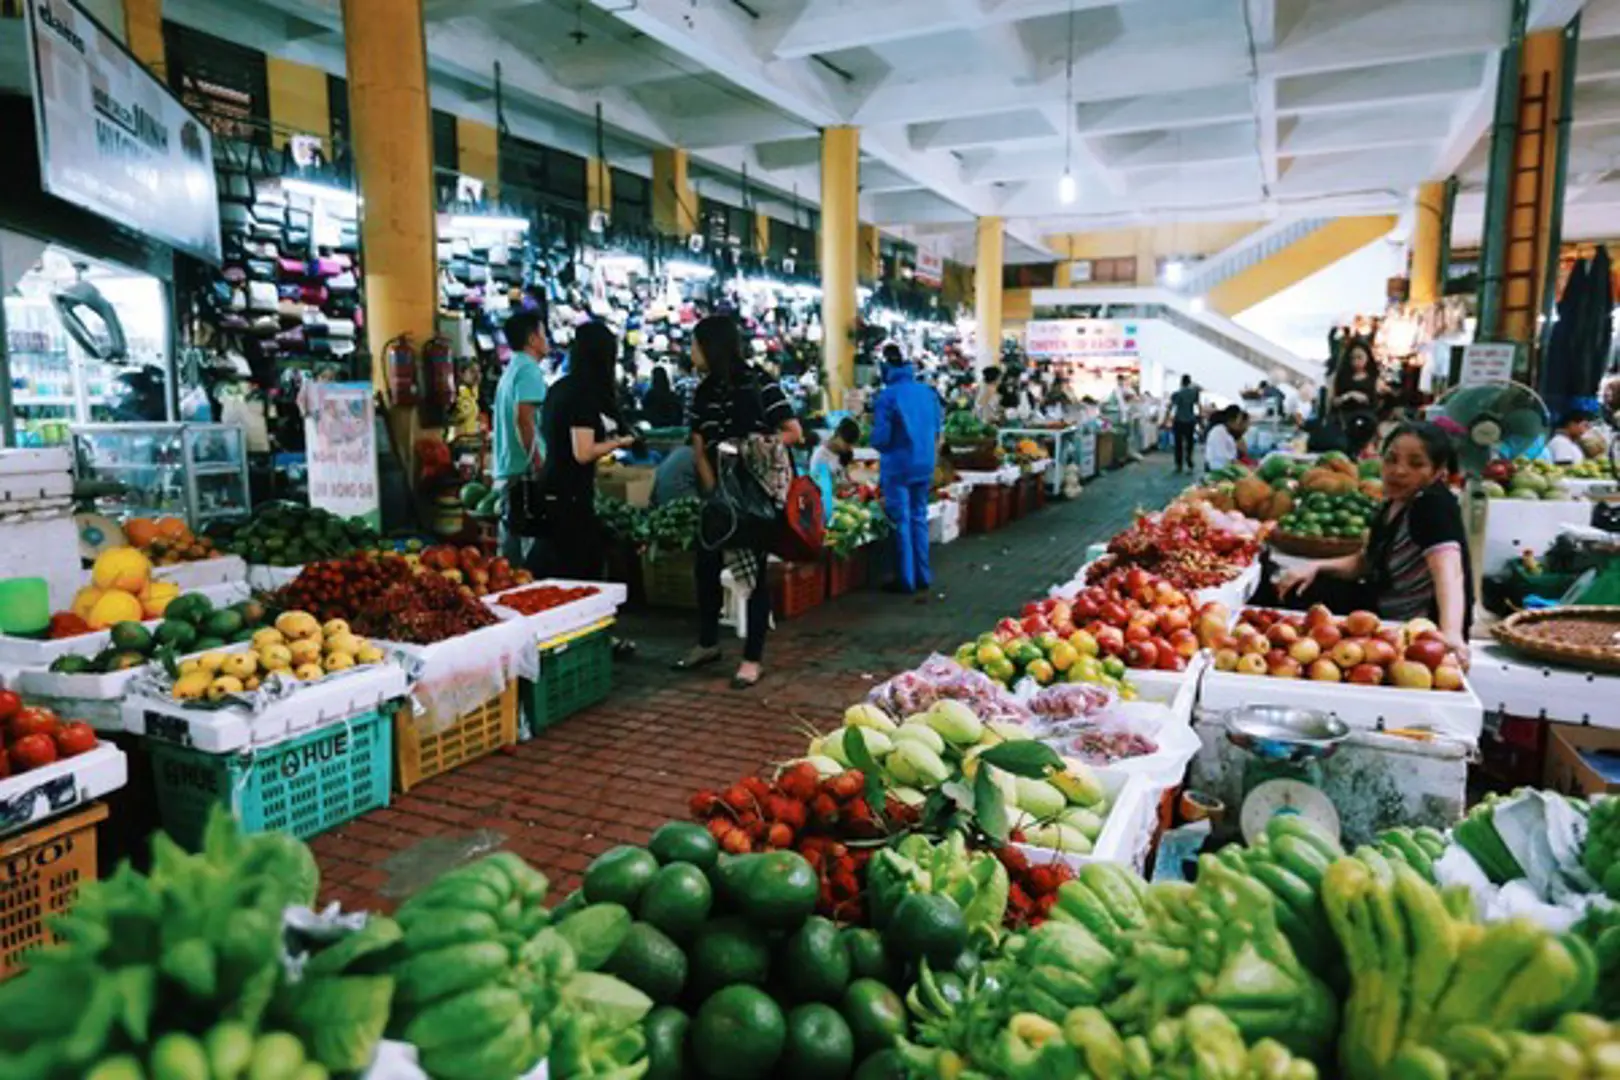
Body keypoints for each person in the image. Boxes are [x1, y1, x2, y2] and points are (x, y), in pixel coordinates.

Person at [674, 315, 802, 689]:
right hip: (719, 496)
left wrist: (748, 450)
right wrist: (717, 493)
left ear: (712, 347)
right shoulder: (702, 392)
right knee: (705, 565)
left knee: (755, 577)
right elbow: (698, 449)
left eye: (696, 345)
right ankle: (708, 643)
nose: (691, 352)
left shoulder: (759, 382)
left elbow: (793, 432)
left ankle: (752, 658)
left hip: (757, 496)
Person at [1277, 422, 1473, 664]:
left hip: (1413, 629)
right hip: (1381, 605)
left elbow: (1450, 571)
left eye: (1415, 463)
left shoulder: (1432, 505)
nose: (1398, 471)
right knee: (1293, 586)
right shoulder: (1395, 503)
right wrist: (1316, 566)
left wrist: (1450, 634)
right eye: (1391, 459)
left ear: (1437, 472)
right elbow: (1366, 562)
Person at [536, 320, 637, 580]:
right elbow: (583, 452)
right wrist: (620, 442)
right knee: (576, 572)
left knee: (557, 569)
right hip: (569, 496)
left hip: (552, 487)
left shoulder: (560, 388)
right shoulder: (582, 394)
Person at [871, 342, 943, 595]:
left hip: (898, 464)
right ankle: (923, 575)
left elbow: (880, 438)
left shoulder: (887, 396)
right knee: (918, 517)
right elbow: (938, 431)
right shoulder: (927, 393)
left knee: (901, 520)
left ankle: (906, 579)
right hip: (925, 462)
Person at [494, 309, 549, 564]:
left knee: (512, 538)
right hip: (523, 467)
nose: (547, 339)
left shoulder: (513, 367)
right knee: (528, 546)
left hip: (509, 465)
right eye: (543, 333)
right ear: (532, 340)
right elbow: (523, 418)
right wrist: (536, 461)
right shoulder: (529, 370)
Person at [810, 417, 861, 524]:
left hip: (844, 503)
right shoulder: (820, 456)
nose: (849, 447)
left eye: (852, 444)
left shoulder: (844, 453)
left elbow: (844, 477)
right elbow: (819, 488)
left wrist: (851, 484)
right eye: (847, 443)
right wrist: (841, 486)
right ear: (838, 436)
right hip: (828, 507)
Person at [1165, 374, 1201, 473]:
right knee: (1190, 443)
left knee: (1178, 444)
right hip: (1190, 420)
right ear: (1189, 382)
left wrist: (1166, 419)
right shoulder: (1194, 393)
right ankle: (1189, 462)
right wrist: (1200, 419)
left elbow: (1171, 407)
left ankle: (1179, 465)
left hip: (1179, 420)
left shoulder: (1177, 393)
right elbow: (1198, 406)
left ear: (1181, 382)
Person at [1204, 407, 1246, 473]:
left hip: (1225, 467)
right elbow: (1222, 456)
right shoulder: (1219, 432)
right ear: (1231, 420)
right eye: (1238, 421)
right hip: (1218, 469)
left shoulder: (1227, 432)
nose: (1239, 424)